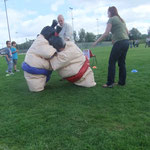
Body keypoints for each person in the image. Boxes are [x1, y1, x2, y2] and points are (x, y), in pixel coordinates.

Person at [93, 6, 129, 88]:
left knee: (111, 62)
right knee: (122, 63)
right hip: (126, 42)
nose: (107, 14)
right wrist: (115, 38)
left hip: (119, 43)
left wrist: (96, 42)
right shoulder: (121, 20)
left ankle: (110, 83)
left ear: (110, 12)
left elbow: (106, 33)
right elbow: (127, 32)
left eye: (108, 12)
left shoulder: (111, 19)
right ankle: (122, 82)